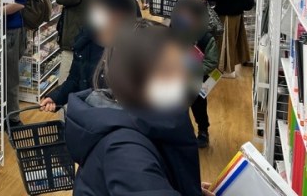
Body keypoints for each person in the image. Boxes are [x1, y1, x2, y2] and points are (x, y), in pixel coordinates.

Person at [65, 21, 214, 196]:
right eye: (168, 70)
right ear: (133, 77)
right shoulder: (126, 152)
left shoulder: (137, 117)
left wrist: (175, 185)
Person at [40, 0, 137, 112]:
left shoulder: (135, 50)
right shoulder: (86, 39)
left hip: (115, 120)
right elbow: (75, 79)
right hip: (87, 116)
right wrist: (56, 97)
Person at [170, 0, 219, 148]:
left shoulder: (206, 39)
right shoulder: (174, 33)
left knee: (199, 106)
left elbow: (211, 61)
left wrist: (194, 71)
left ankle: (203, 130)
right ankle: (180, 131)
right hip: (177, 77)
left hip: (196, 80)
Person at [4, 0, 29, 128]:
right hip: (5, 29)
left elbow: (20, 1)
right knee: (4, 74)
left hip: (11, 29)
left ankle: (13, 120)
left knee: (9, 75)